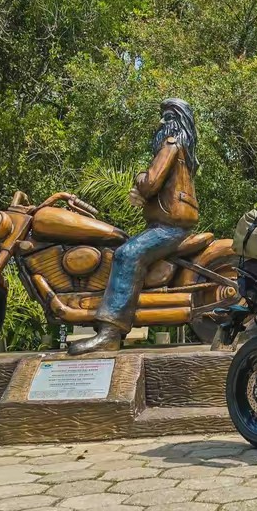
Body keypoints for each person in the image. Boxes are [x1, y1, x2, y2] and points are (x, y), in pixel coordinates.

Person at [68, 98, 199, 355]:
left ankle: (110, 333)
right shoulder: (184, 152)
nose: (161, 122)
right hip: (170, 224)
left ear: (178, 120)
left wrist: (139, 178)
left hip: (170, 227)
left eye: (167, 117)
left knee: (127, 254)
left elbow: (150, 183)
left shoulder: (171, 144)